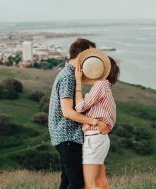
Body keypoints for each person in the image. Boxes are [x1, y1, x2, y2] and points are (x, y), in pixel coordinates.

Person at [48, 38, 110, 189]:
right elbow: (68, 112)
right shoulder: (68, 77)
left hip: (64, 136)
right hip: (67, 136)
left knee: (67, 180)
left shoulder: (69, 75)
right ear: (81, 55)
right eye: (91, 54)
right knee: (77, 182)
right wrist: (96, 122)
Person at [75, 53, 120, 189]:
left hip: (94, 138)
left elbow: (79, 107)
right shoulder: (106, 87)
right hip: (99, 138)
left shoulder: (101, 84)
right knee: (101, 183)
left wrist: (78, 81)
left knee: (90, 185)